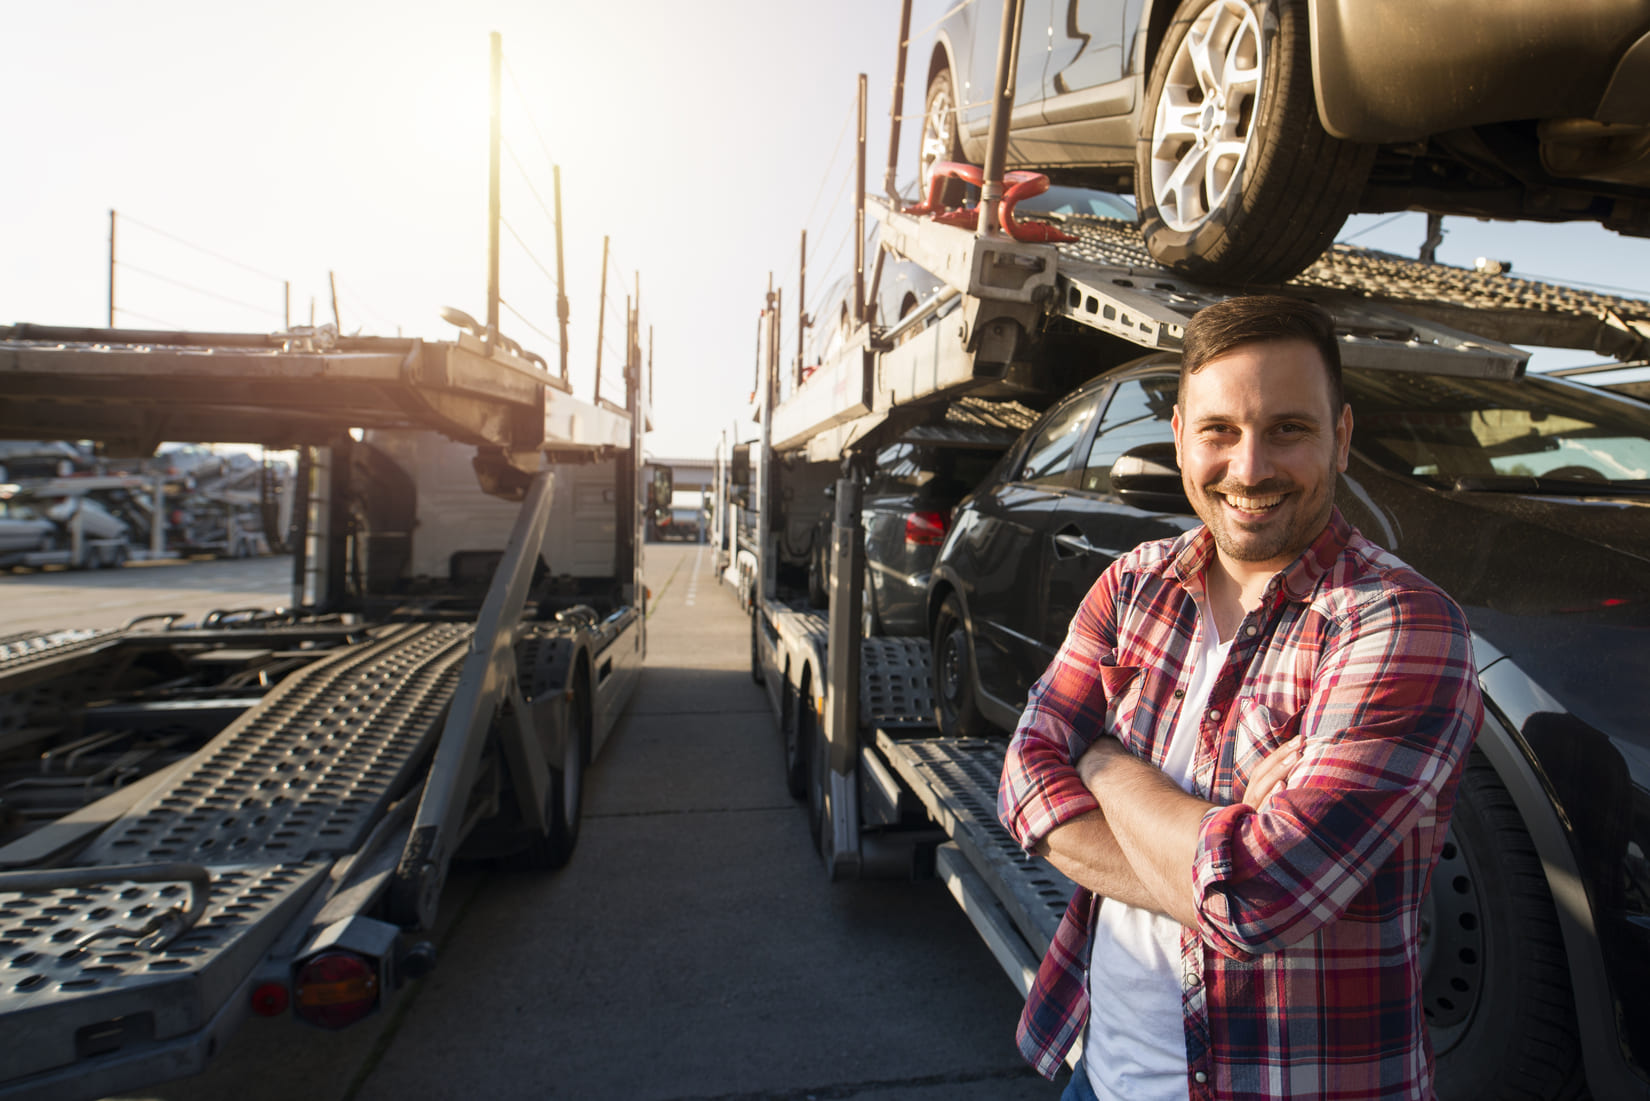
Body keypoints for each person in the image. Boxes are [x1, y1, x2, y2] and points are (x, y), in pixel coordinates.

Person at [997, 295, 1482, 1101]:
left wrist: (1107, 765)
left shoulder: (1402, 623)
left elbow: (1260, 896)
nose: (1250, 467)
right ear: (1182, 434)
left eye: (1288, 428)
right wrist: (1215, 860)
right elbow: (1023, 779)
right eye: (1220, 430)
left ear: (1343, 437)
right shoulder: (1135, 585)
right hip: (1102, 1072)